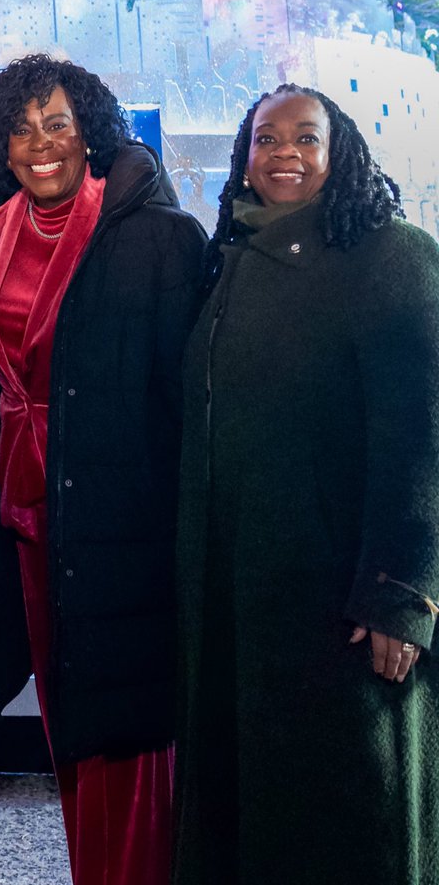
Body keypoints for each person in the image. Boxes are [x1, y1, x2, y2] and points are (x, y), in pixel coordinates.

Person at [0, 53, 206, 885]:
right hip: (28, 520)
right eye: (20, 127)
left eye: (57, 122)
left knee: (130, 731)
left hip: (123, 517)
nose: (40, 143)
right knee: (71, 729)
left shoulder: (157, 235)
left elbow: (188, 400)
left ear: (90, 128)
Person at [174, 84, 439, 885]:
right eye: (266, 138)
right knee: (262, 816)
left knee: (353, 817)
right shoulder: (234, 261)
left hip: (346, 607)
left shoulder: (392, 254)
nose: (283, 152)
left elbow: (422, 434)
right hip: (245, 605)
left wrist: (402, 592)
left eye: (306, 137)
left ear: (341, 152)